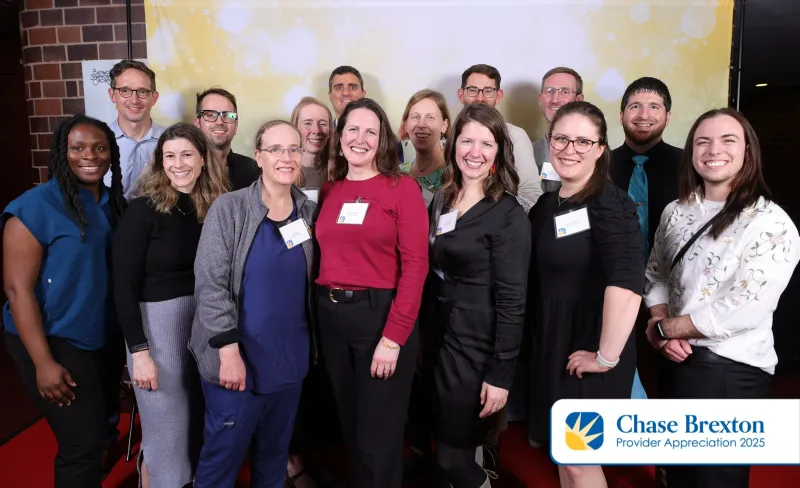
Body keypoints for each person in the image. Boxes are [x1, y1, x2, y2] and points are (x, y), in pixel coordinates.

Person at [644, 108, 800, 488]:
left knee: (715, 479)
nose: (714, 150)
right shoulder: (675, 211)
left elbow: (742, 310)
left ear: (748, 150)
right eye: (703, 141)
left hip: (729, 369)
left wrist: (663, 329)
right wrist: (659, 322)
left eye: (728, 140)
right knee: (675, 474)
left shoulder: (770, 222)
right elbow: (656, 274)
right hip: (675, 360)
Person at [190, 120, 318, 488]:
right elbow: (210, 285)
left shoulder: (308, 212)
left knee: (274, 457)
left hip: (289, 360)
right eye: (275, 149)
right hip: (236, 361)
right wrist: (228, 351)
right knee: (221, 460)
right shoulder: (229, 209)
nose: (286, 157)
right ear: (258, 156)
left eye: (293, 149)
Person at [2, 114, 126, 487]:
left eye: (100, 147)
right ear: (62, 153)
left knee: (101, 430)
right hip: (53, 339)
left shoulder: (112, 202)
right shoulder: (33, 207)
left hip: (101, 337)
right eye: (78, 148)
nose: (90, 155)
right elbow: (17, 290)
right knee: (81, 446)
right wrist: (43, 363)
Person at [526, 101, 644, 488]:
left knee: (580, 459)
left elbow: (628, 282)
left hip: (591, 346)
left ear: (600, 148)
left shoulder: (611, 203)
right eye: (561, 139)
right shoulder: (546, 205)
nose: (569, 149)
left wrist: (605, 356)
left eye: (583, 141)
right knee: (565, 454)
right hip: (554, 343)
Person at [315, 98, 428, 488]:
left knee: (378, 437)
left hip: (380, 318)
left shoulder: (402, 188)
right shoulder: (330, 190)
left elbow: (416, 266)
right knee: (351, 429)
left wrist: (393, 338)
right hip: (331, 318)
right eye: (352, 129)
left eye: (370, 132)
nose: (359, 139)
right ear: (340, 135)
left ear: (382, 140)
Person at [112, 123, 228, 488]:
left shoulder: (217, 207)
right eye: (170, 156)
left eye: (187, 155)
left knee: (195, 422)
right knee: (167, 429)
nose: (178, 164)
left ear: (203, 159)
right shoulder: (142, 210)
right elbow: (123, 286)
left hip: (204, 323)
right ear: (160, 162)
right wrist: (139, 353)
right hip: (157, 330)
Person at [427, 104, 530, 488]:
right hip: (440, 337)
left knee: (453, 455)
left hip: (477, 344)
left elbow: (513, 301)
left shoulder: (507, 213)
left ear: (499, 150)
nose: (475, 152)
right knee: (449, 445)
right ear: (453, 144)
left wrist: (501, 375)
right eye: (467, 141)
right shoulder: (443, 199)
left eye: (486, 143)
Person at [610, 77, 683, 401]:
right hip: (611, 290)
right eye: (635, 106)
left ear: (667, 116)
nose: (643, 114)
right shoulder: (599, 165)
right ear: (621, 114)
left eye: (654, 106)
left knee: (668, 382)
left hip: (673, 296)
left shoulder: (690, 166)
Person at [458, 64, 542, 210]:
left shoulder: (515, 136)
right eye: (472, 90)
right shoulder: (452, 135)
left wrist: (493, 212)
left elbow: (531, 196)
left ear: (498, 96)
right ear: (461, 95)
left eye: (488, 91)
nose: (480, 98)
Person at [105, 59, 166, 199]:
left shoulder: (171, 141)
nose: (134, 100)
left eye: (143, 92)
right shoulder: (98, 141)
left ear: (154, 98)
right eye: (125, 91)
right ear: (112, 95)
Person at [194, 87, 261, 190]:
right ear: (197, 124)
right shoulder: (184, 170)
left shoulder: (253, 170)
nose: (219, 122)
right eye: (210, 115)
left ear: (236, 125)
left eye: (227, 115)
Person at [532, 67, 584, 195]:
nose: (555, 100)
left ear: (579, 100)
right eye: (549, 91)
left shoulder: (592, 151)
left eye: (564, 92)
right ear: (540, 98)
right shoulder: (528, 151)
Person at [398, 89, 451, 205]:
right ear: (406, 125)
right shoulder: (398, 173)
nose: (421, 124)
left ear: (444, 125)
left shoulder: (456, 173)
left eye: (430, 117)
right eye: (415, 117)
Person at [290, 96, 333, 202]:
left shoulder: (341, 172)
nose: (316, 131)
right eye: (308, 123)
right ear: (295, 128)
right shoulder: (281, 173)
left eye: (323, 124)